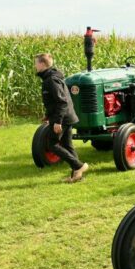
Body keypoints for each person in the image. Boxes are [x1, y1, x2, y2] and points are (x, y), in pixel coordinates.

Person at [34, 53, 88, 183]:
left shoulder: (51, 80)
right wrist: (48, 115)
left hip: (63, 118)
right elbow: (55, 101)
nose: (35, 66)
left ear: (42, 64)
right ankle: (77, 175)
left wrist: (58, 121)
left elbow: (62, 102)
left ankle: (79, 166)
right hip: (65, 116)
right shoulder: (51, 77)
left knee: (52, 144)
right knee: (67, 145)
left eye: (36, 63)